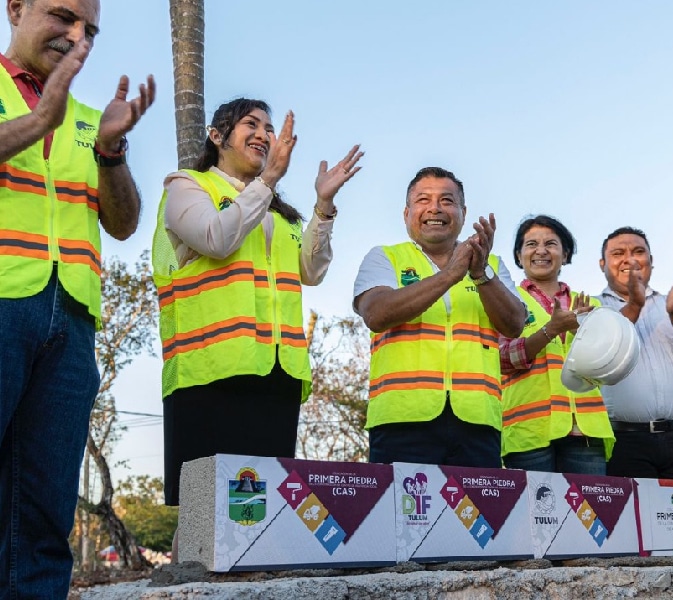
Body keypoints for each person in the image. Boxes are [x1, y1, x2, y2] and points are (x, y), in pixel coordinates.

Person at [0, 0, 155, 596]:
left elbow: (123, 223)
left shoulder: (90, 119)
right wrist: (39, 121)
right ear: (15, 8)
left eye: (88, 30)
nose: (76, 37)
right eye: (62, 17)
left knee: (44, 506)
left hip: (70, 322)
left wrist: (110, 153)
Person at [152, 98, 362, 512]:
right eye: (252, 124)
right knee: (204, 514)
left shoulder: (278, 214)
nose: (265, 134)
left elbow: (312, 269)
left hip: (276, 370)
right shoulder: (187, 187)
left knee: (260, 511)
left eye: (269, 128)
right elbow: (216, 237)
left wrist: (323, 207)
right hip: (209, 371)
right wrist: (266, 182)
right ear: (217, 136)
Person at [353, 166, 527, 468]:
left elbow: (514, 325)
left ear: (463, 211)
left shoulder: (492, 264)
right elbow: (376, 314)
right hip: (401, 419)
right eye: (423, 200)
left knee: (479, 515)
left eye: (447, 200)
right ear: (406, 213)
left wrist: (480, 273)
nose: (435, 208)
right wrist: (449, 275)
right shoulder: (385, 257)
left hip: (477, 421)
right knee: (402, 515)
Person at [597, 226, 673, 480]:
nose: (629, 259)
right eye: (618, 253)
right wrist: (635, 306)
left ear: (651, 261)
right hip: (623, 441)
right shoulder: (593, 306)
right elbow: (603, 353)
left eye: (638, 251)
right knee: (629, 520)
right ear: (602, 264)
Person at [500, 215, 614, 474]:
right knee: (534, 514)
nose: (541, 251)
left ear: (565, 255)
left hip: (586, 433)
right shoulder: (506, 302)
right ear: (519, 256)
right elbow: (502, 359)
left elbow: (608, 368)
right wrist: (551, 330)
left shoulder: (590, 306)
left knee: (590, 514)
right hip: (529, 432)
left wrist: (578, 330)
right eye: (531, 245)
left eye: (551, 243)